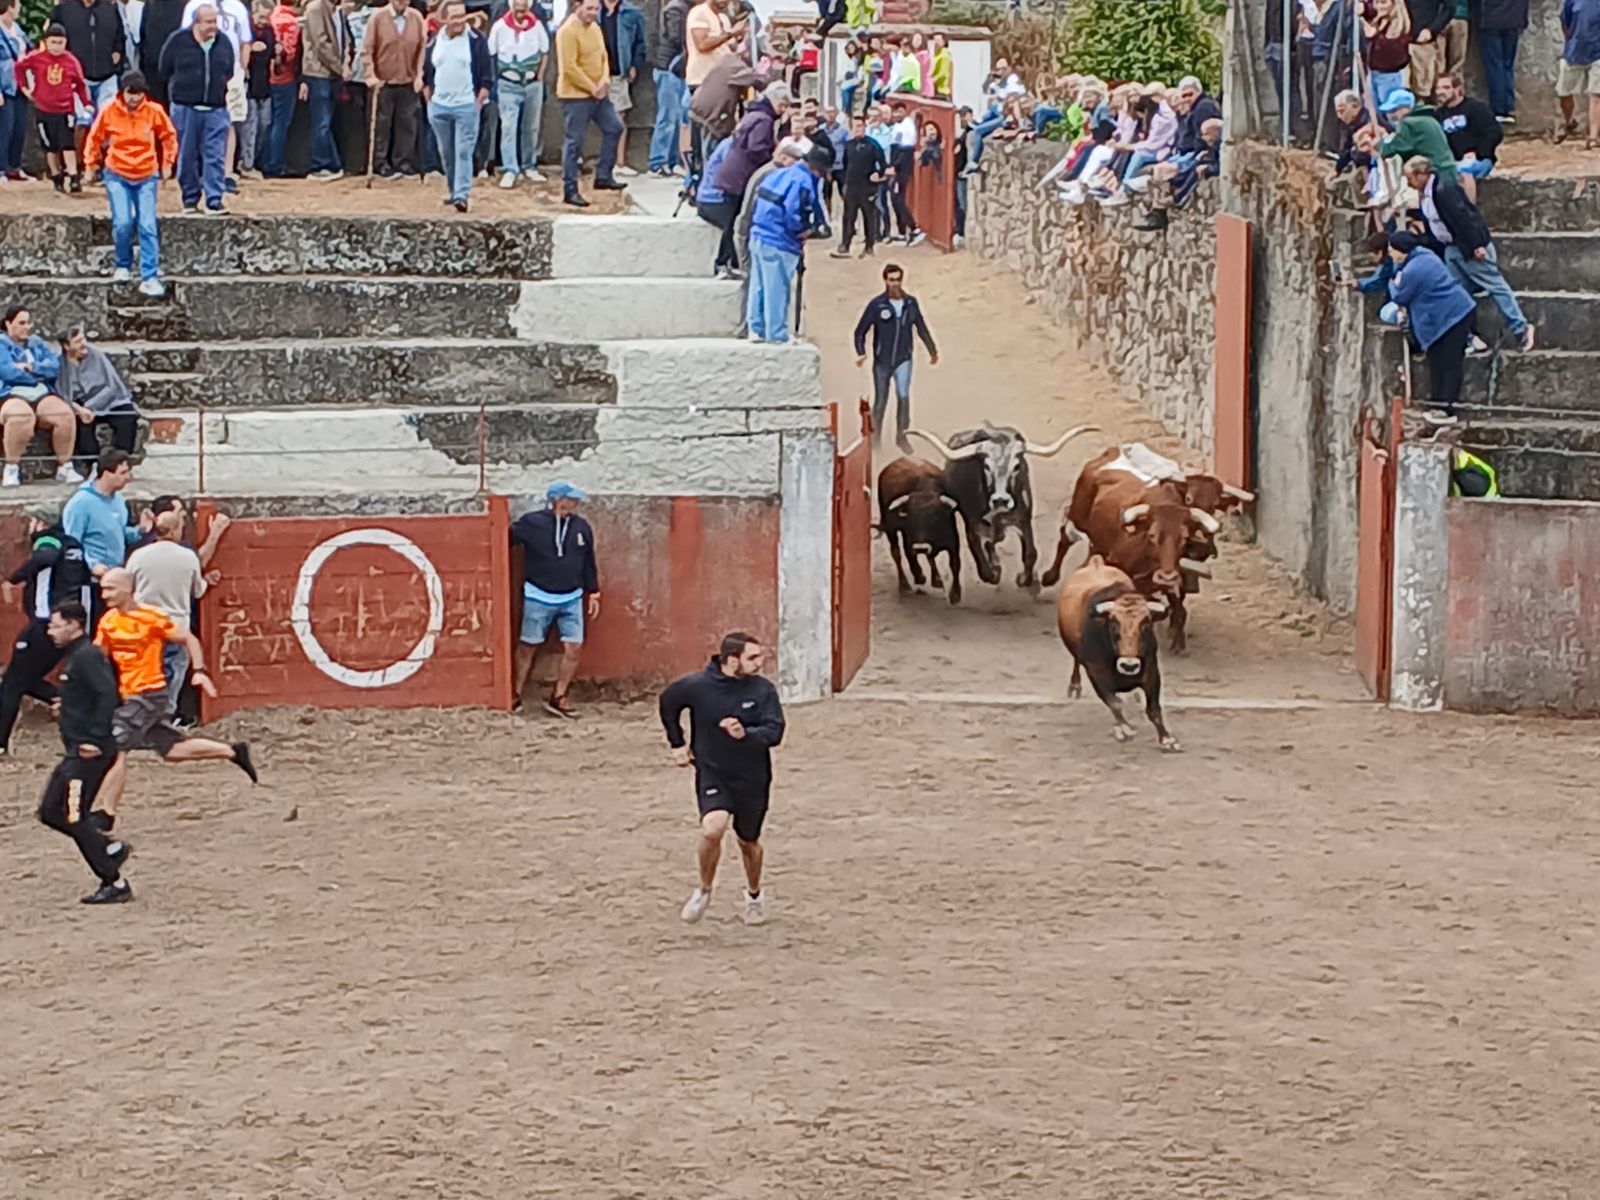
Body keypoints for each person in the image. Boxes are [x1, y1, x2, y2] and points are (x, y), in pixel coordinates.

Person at [90, 565, 256, 831]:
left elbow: (188, 638)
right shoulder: (108, 621)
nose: (104, 594)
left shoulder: (151, 617)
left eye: (110, 588)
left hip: (149, 693)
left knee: (116, 748)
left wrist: (199, 671)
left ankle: (106, 813)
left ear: (128, 589)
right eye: (103, 588)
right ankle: (232, 751)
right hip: (129, 694)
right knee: (171, 751)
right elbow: (96, 656)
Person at [659, 630, 784, 927]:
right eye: (752, 657)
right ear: (731, 660)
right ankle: (704, 890)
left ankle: (754, 895)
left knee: (748, 841)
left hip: (753, 777)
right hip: (713, 771)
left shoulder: (763, 691)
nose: (759, 662)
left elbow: (775, 731)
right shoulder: (697, 686)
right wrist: (678, 744)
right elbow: (668, 703)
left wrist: (746, 734)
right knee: (712, 829)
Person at [37, 600, 131, 905]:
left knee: (72, 816)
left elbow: (108, 695)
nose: (50, 631)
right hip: (75, 752)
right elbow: (88, 695)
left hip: (89, 752)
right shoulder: (76, 657)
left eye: (56, 625)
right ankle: (107, 847)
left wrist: (95, 738)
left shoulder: (87, 656)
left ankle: (114, 882)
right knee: (51, 811)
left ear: (74, 625)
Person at [1402, 154, 1535, 350]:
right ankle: (1468, 336)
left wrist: (1476, 245)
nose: (1409, 183)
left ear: (1421, 174)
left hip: (1468, 247)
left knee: (1495, 285)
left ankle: (1520, 327)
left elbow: (1465, 217)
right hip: (1451, 249)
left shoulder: (1444, 190)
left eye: (1410, 178)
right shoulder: (1427, 196)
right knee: (1458, 293)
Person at [0, 505, 90, 756]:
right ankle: (67, 700)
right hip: (67, 625)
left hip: (45, 624)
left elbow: (45, 558)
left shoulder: (47, 539)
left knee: (11, 685)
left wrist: (13, 579)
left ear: (40, 523)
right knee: (23, 679)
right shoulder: (73, 545)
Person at [510, 480, 599, 718]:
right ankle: (515, 693)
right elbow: (504, 539)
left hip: (572, 596)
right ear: (556, 500)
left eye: (575, 500)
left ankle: (559, 695)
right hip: (538, 595)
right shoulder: (532, 523)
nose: (574, 503)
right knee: (528, 646)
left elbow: (588, 561)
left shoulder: (581, 527)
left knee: (574, 647)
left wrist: (594, 591)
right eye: (570, 499)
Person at [83, 72, 175, 299]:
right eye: (130, 94)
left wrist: (167, 163)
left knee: (147, 224)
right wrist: (90, 165)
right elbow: (94, 138)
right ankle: (123, 264)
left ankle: (149, 275)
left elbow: (168, 136)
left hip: (146, 174)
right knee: (123, 222)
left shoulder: (154, 111)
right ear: (122, 93)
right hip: (117, 173)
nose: (134, 99)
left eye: (138, 94)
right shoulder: (109, 111)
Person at [745, 141, 830, 345]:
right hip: (779, 241)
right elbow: (793, 213)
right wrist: (803, 231)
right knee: (777, 287)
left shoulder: (779, 173)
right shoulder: (803, 182)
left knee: (758, 285)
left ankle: (755, 329)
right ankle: (776, 333)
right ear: (817, 169)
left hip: (758, 234)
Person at [1385, 230, 1475, 422]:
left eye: (1392, 251)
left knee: (1449, 363)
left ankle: (1447, 409)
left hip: (1452, 315)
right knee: (1436, 361)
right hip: (1449, 313)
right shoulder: (1425, 255)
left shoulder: (1414, 270)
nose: (1391, 254)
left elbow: (1399, 295)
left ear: (1402, 250)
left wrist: (1393, 283)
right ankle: (1438, 404)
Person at [126, 508, 205, 717]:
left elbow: (127, 587)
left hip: (145, 624)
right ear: (175, 531)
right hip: (176, 625)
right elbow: (198, 590)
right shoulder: (188, 557)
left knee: (146, 673)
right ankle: (164, 716)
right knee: (174, 671)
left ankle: (142, 716)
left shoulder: (139, 556)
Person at [853, 263, 936, 451]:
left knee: (903, 397)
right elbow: (860, 331)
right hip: (882, 361)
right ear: (885, 281)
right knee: (881, 400)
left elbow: (921, 327)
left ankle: (902, 436)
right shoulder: (877, 305)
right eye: (892, 280)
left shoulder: (911, 303)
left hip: (903, 358)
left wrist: (932, 350)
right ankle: (875, 440)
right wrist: (860, 352)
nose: (895, 284)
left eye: (898, 280)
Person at [160, 3, 234, 213]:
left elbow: (228, 70)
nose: (213, 26)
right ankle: (190, 199)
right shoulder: (178, 41)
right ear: (196, 22)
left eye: (215, 22)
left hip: (216, 108)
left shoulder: (224, 42)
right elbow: (163, 68)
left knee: (215, 155)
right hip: (185, 108)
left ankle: (214, 199)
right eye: (209, 22)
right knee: (187, 155)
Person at [0, 307, 82, 488]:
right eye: (21, 323)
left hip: (40, 391)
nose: (26, 327)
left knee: (64, 414)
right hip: (9, 393)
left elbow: (53, 366)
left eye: (28, 322)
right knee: (21, 417)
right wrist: (36, 373)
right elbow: (8, 373)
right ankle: (11, 467)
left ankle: (65, 465)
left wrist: (32, 368)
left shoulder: (37, 343)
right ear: (8, 324)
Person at [63, 450, 152, 615]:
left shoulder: (119, 500)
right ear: (106, 474)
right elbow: (71, 543)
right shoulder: (80, 503)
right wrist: (92, 565)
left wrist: (140, 530)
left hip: (115, 577)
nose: (128, 477)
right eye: (123, 472)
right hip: (90, 581)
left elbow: (121, 533)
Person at [555, 0, 624, 207]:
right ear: (577, 7)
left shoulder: (595, 28)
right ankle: (570, 189)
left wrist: (604, 81)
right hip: (575, 95)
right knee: (574, 142)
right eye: (589, 9)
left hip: (598, 94)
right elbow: (569, 67)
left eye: (596, 9)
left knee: (615, 127)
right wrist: (590, 86)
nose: (593, 13)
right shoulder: (567, 31)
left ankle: (603, 175)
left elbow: (603, 57)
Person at [421, 0, 489, 211]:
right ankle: (453, 190)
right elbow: (426, 73)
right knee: (447, 153)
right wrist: (430, 102)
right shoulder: (434, 42)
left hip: (466, 106)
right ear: (445, 19)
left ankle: (462, 194)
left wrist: (477, 102)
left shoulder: (476, 41)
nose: (459, 20)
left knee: (463, 152)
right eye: (454, 16)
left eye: (462, 15)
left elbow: (487, 76)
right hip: (439, 106)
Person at [51, 0, 127, 171]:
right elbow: (53, 39)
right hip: (77, 78)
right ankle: (76, 166)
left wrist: (117, 56)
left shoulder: (110, 9)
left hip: (107, 76)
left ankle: (104, 164)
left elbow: (120, 38)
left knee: (108, 122)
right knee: (81, 121)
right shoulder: (63, 9)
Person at [15, 23, 91, 191]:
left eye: (60, 43)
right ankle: (56, 176)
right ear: (46, 42)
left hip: (64, 109)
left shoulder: (71, 61)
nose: (56, 47)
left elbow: (80, 84)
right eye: (53, 42)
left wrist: (86, 103)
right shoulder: (36, 58)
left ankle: (73, 176)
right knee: (50, 146)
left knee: (67, 144)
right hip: (43, 108)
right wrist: (25, 88)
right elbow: (19, 68)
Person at [58, 326, 143, 466]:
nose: (83, 344)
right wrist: (79, 409)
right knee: (80, 423)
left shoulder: (97, 356)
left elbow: (112, 387)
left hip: (109, 401)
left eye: (83, 339)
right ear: (67, 346)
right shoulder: (61, 363)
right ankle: (93, 465)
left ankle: (121, 462)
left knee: (128, 416)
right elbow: (62, 393)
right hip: (81, 405)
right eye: (78, 342)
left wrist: (90, 406)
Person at [362, 0, 426, 176]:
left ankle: (403, 161)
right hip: (383, 82)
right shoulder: (377, 18)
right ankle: (380, 162)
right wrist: (370, 75)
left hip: (407, 81)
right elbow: (367, 50)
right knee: (381, 125)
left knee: (407, 124)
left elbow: (421, 49)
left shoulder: (416, 18)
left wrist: (419, 75)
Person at [488, 0, 546, 186]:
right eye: (517, 8)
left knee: (531, 127)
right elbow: (491, 53)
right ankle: (510, 168)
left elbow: (545, 51)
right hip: (508, 84)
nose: (521, 12)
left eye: (524, 8)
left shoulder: (536, 24)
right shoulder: (499, 26)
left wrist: (541, 76)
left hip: (532, 83)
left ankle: (529, 165)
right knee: (508, 127)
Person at [299, 0, 349, 178]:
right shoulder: (315, 9)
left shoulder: (338, 11)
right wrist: (340, 67)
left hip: (333, 75)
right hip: (318, 73)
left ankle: (333, 163)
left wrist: (346, 62)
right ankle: (320, 165)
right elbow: (321, 44)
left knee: (327, 122)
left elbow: (344, 38)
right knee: (321, 122)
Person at [1432, 73, 1500, 198]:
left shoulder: (1476, 107)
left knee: (1464, 171)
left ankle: (1469, 213)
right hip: (1452, 161)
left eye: (1446, 88)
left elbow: (1494, 133)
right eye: (1438, 88)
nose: (1440, 92)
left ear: (1458, 89)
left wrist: (1477, 151)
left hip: (1479, 159)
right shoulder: (1438, 115)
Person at [597, 0, 643, 176]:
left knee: (620, 116)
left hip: (618, 72)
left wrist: (635, 65)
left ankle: (619, 163)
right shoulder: (593, 10)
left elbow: (640, 42)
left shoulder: (631, 12)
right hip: (594, 73)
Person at [1378, 88, 1457, 182]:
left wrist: (1384, 141)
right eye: (1388, 112)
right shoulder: (1429, 119)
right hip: (1449, 171)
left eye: (1395, 110)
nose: (1391, 116)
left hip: (1435, 175)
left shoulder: (1408, 123)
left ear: (1407, 107)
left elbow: (1390, 151)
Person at [646, 0, 684, 176]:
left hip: (678, 68)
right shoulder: (675, 9)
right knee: (667, 117)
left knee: (678, 118)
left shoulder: (684, 8)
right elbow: (676, 37)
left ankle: (673, 160)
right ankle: (658, 161)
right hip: (668, 67)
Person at [236, 0, 274, 175]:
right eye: (260, 17)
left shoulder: (269, 32)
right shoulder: (246, 33)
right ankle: (246, 164)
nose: (263, 21)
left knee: (264, 125)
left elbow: (274, 55)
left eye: (267, 17)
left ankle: (255, 161)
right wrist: (250, 48)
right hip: (249, 87)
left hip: (265, 86)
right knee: (249, 127)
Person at [1557, 0, 1600, 147]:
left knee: (1596, 94)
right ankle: (1569, 121)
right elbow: (1565, 24)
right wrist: (1572, 42)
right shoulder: (1572, 1)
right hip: (1574, 52)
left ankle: (1593, 136)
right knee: (1564, 92)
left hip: (1598, 53)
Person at [261, 0, 297, 175]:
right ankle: (275, 163)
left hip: (268, 77)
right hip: (284, 77)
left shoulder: (272, 17)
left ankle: (266, 161)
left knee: (271, 121)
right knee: (281, 122)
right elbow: (290, 52)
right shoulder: (290, 22)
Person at [1477, 0, 1527, 124]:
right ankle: (1509, 107)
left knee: (1494, 66)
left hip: (1490, 19)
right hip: (1514, 19)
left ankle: (1499, 109)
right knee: (1507, 65)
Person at [0, 0, 32, 181]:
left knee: (20, 127)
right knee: (5, 127)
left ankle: (14, 166)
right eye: (17, 6)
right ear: (9, 7)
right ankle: (1, 168)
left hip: (21, 83)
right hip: (5, 84)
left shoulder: (18, 30)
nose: (19, 10)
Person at [1360, 0, 1411, 108]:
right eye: (1376, 2)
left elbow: (1395, 55)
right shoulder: (1378, 22)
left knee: (1391, 111)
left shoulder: (1399, 26)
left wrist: (1375, 36)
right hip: (1373, 73)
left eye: (1383, 2)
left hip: (1390, 76)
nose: (1379, 7)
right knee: (1373, 111)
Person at [885, 98, 919, 243]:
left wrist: (895, 166)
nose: (896, 115)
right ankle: (901, 230)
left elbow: (905, 150)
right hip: (896, 163)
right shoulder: (898, 126)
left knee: (898, 198)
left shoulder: (907, 126)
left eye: (899, 112)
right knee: (894, 198)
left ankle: (912, 227)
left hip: (901, 167)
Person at [1405, 0, 1451, 100]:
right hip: (1400, 42)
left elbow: (1450, 8)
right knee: (1404, 89)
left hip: (1424, 42)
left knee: (1424, 89)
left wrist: (1432, 30)